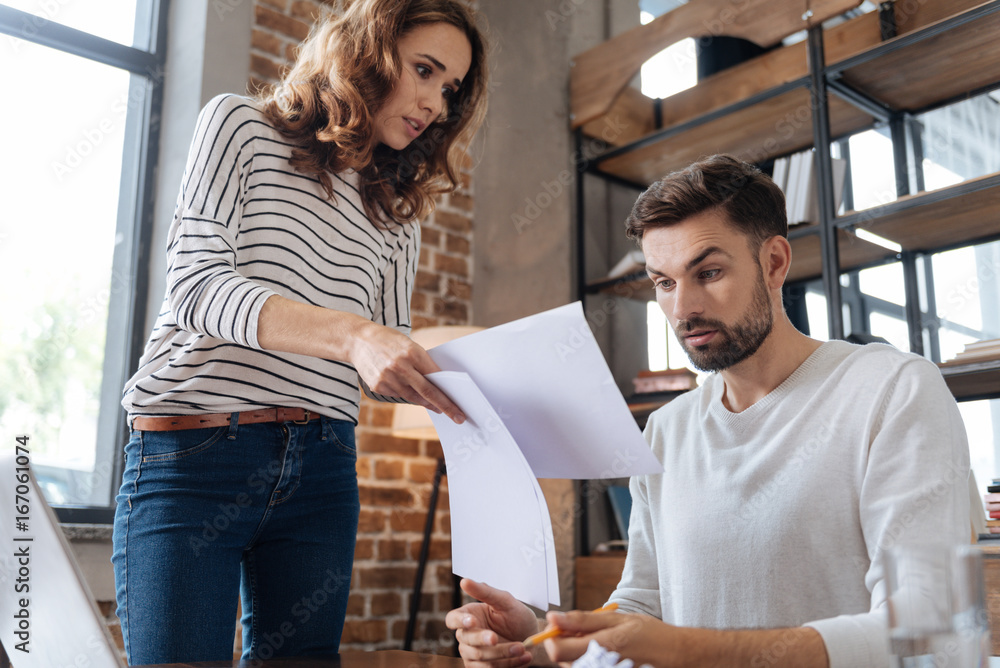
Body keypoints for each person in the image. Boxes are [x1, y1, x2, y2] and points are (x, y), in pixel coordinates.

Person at [446, 155, 971, 668]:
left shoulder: (893, 389)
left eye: (709, 272)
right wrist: (541, 642)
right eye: (664, 283)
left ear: (774, 263)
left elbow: (927, 619)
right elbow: (641, 604)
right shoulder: (666, 430)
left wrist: (683, 651)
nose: (683, 309)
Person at [111, 0, 488, 664]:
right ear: (369, 51)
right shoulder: (239, 126)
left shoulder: (398, 215)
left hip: (322, 466)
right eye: (424, 70)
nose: (434, 101)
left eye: (449, 89)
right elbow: (196, 286)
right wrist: (353, 336)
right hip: (194, 459)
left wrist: (475, 384)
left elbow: (380, 368)